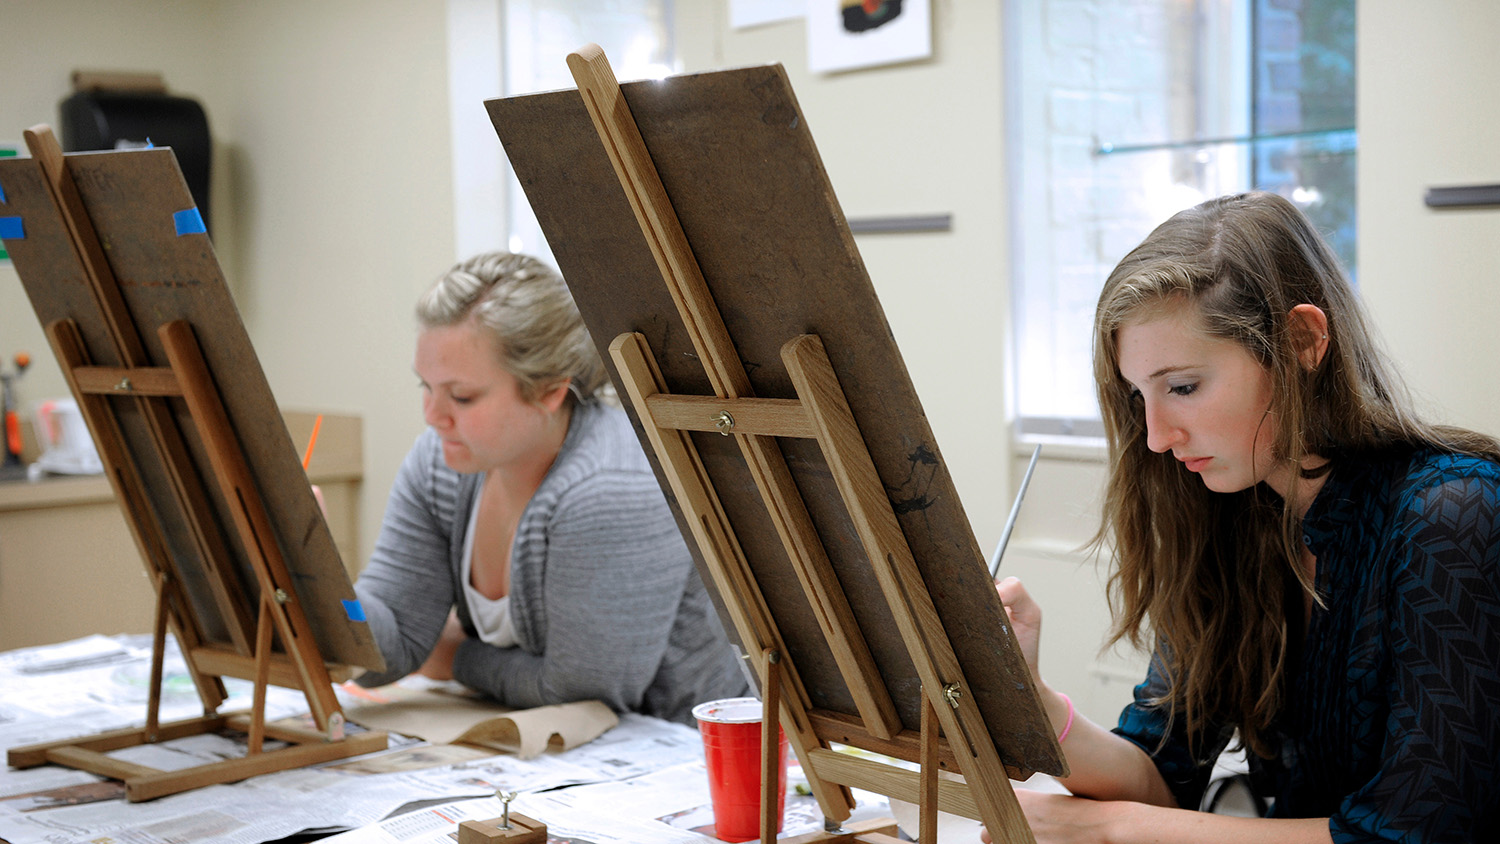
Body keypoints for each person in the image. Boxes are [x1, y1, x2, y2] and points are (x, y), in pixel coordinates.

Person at [989, 192, 1500, 843]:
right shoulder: (1235, 515)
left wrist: (1116, 829)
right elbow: (1161, 775)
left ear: (1303, 342)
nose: (1154, 437)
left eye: (1182, 387)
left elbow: (1410, 835)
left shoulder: (1455, 516)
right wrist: (1031, 701)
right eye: (1137, 395)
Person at [352, 251, 749, 725]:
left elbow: (583, 694)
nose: (432, 416)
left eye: (461, 396)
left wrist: (454, 657)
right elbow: (390, 645)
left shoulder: (611, 487)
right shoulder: (438, 463)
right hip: (554, 755)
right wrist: (316, 582)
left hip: (682, 760)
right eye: (426, 386)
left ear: (549, 391)